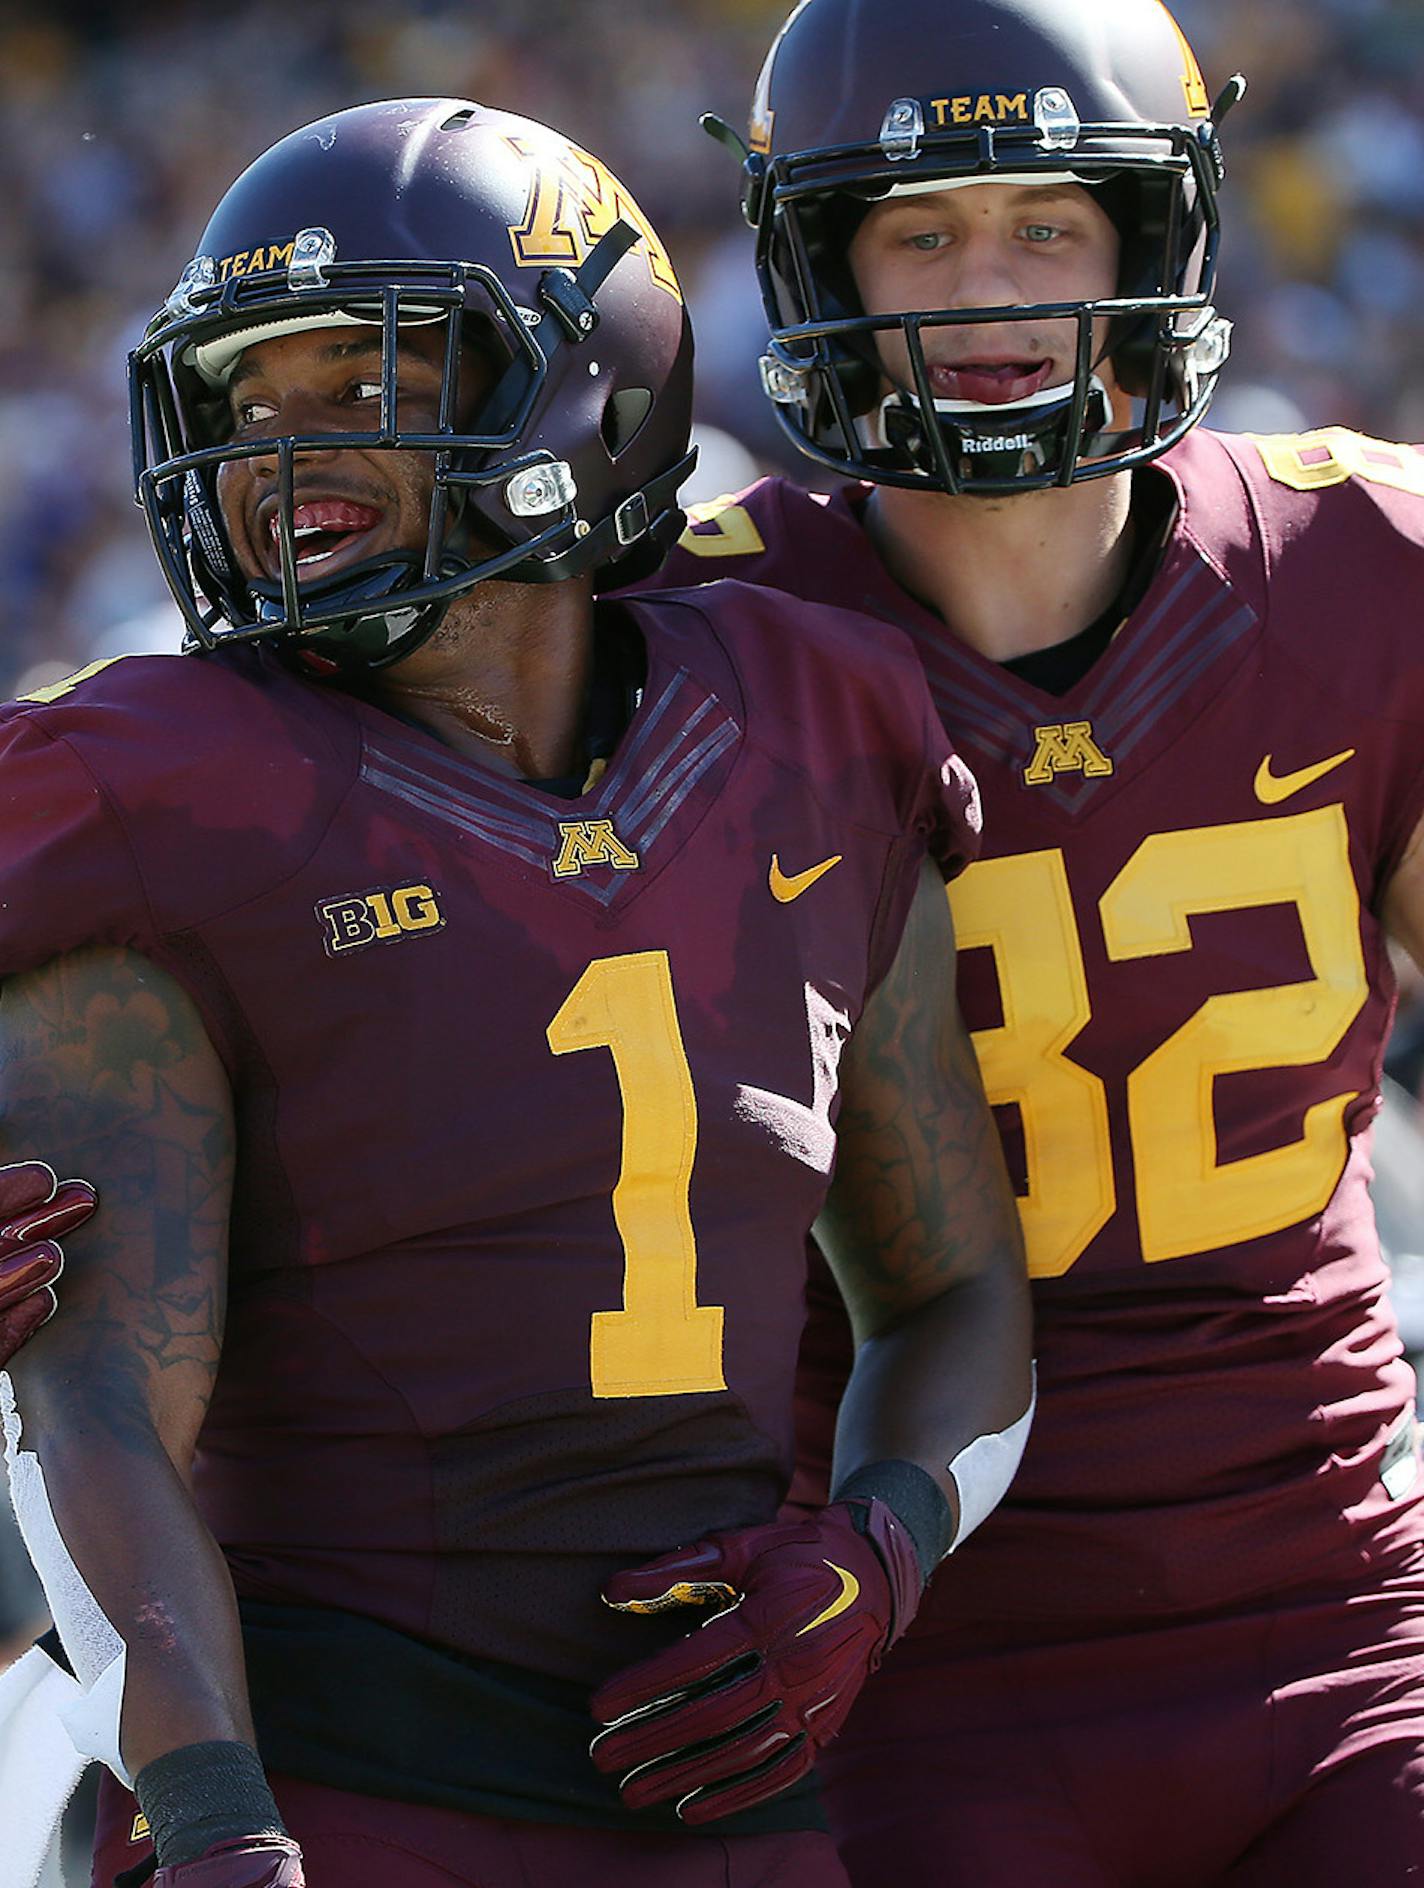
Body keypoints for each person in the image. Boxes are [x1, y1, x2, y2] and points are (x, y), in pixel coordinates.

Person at [0, 97, 1034, 1888]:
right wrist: (219, 1820)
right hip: (331, 1768)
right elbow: (96, 1408)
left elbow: (952, 1291)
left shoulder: (817, 720)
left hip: (729, 1782)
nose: (279, 449)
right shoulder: (158, 785)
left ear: (585, 392)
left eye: (357, 379)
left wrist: (882, 1543)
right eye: (246, 401)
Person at [644, 1, 1424, 1883]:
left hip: (1332, 1608)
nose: (983, 289)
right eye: (917, 233)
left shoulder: (1369, 570)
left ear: (1152, 244)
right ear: (819, 258)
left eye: (1047, 226)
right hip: (902, 1639)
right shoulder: (689, 643)